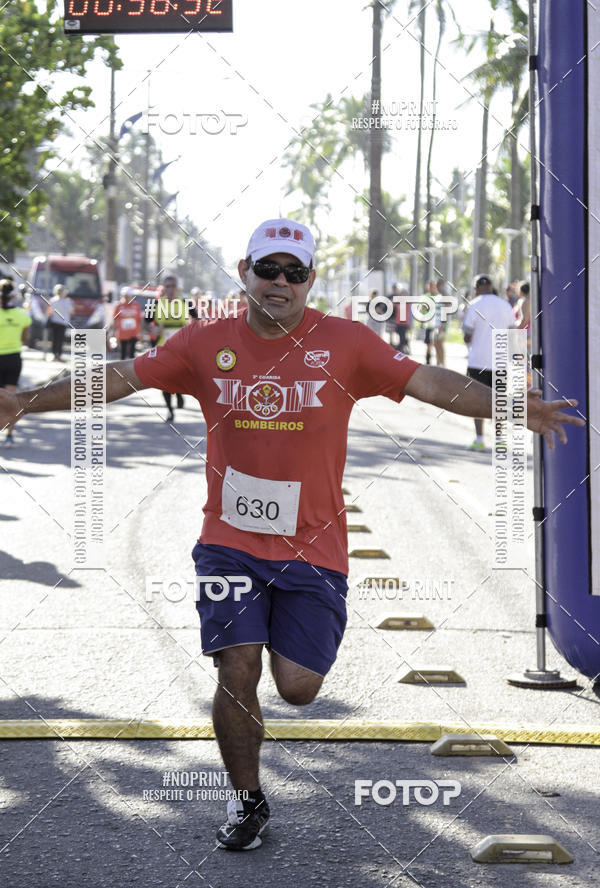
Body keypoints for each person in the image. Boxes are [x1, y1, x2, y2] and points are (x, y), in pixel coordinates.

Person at [0, 218, 583, 851]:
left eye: (294, 273)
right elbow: (117, 378)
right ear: (246, 272)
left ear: (309, 282)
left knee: (298, 688)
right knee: (237, 666)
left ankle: (288, 662)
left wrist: (509, 404)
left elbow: (429, 383)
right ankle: (247, 800)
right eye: (268, 269)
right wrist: (25, 400)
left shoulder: (346, 344)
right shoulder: (204, 342)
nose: (280, 282)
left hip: (315, 545)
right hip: (229, 539)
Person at [462, 274, 517, 450]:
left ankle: (479, 440)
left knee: (476, 400)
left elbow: (467, 335)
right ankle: (500, 440)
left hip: (478, 361)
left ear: (476, 288)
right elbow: (512, 333)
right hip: (500, 362)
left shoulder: (474, 304)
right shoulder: (505, 305)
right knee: (499, 401)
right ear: (492, 286)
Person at [153, 275, 188, 422]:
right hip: (163, 347)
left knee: (179, 376)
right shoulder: (157, 304)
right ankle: (169, 410)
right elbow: (146, 322)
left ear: (177, 288)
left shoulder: (184, 302)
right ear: (164, 288)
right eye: (168, 286)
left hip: (181, 348)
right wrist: (153, 330)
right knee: (163, 380)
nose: (171, 289)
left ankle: (179, 393)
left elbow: (198, 320)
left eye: (173, 286)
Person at [0, 279, 30, 444]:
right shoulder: (22, 314)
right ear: (13, 296)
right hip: (13, 358)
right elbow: (25, 339)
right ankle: (9, 436)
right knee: (10, 399)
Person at [111, 289, 143, 360]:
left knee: (132, 353)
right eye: (125, 296)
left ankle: (131, 369)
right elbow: (114, 319)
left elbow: (140, 319)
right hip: (122, 334)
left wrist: (141, 333)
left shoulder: (136, 305)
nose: (127, 298)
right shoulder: (119, 306)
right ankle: (122, 369)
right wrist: (114, 332)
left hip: (134, 333)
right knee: (123, 353)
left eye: (128, 296)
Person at [47, 284, 72, 362]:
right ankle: (59, 355)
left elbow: (49, 312)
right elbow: (71, 311)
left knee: (54, 339)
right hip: (63, 323)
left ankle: (54, 355)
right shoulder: (67, 301)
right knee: (60, 340)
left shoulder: (52, 300)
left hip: (54, 322)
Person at [433, 278, 448, 367]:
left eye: (439, 284)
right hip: (436, 323)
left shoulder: (445, 295)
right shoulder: (437, 295)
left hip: (441, 324)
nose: (437, 286)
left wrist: (442, 325)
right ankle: (438, 362)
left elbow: (445, 311)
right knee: (435, 343)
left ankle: (442, 363)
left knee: (440, 343)